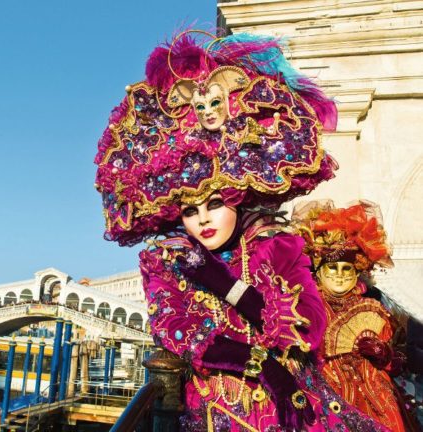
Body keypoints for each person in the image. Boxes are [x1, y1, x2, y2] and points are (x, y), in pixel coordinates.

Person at [94, 30, 387, 431]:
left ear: (236, 198)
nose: (203, 220)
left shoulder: (275, 245)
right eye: (190, 210)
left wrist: (225, 285)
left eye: (215, 204)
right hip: (217, 410)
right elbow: (182, 332)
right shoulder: (168, 260)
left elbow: (307, 325)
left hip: (292, 405)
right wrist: (261, 362)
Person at [292, 200, 408, 431]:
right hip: (326, 394)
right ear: (318, 271)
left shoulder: (375, 308)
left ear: (358, 273)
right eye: (332, 268)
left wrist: (384, 354)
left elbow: (400, 361)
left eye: (347, 269)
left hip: (376, 400)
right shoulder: (305, 306)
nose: (339, 275)